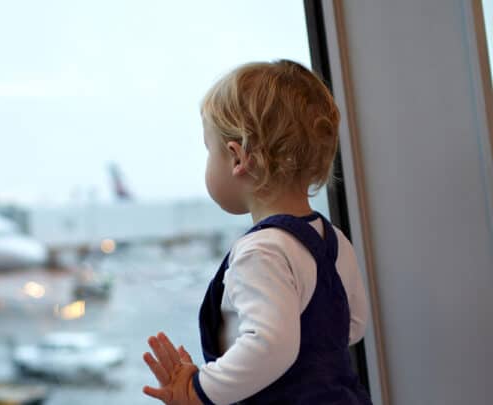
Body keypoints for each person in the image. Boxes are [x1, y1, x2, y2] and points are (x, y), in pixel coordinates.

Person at [142, 60, 372, 405]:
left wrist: (199, 389)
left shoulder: (261, 252)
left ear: (237, 158)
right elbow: (352, 325)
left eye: (209, 150)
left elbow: (269, 344)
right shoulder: (333, 240)